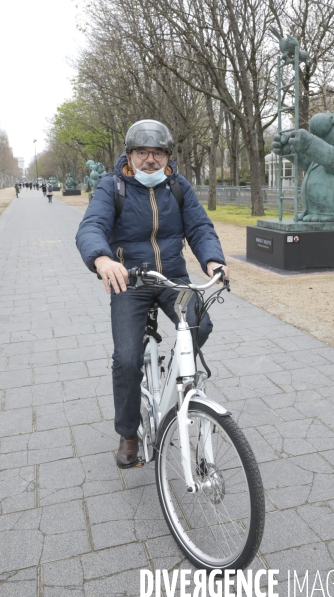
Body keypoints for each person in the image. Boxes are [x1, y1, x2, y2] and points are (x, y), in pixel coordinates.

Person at [76, 120, 228, 468]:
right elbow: (92, 226)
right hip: (128, 281)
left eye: (157, 152)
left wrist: (213, 261)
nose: (150, 160)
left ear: (167, 156)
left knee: (199, 327)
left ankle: (177, 380)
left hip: (171, 278)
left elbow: (200, 227)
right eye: (142, 152)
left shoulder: (178, 187)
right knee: (127, 361)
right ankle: (129, 432)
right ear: (129, 155)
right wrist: (101, 258)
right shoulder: (112, 186)